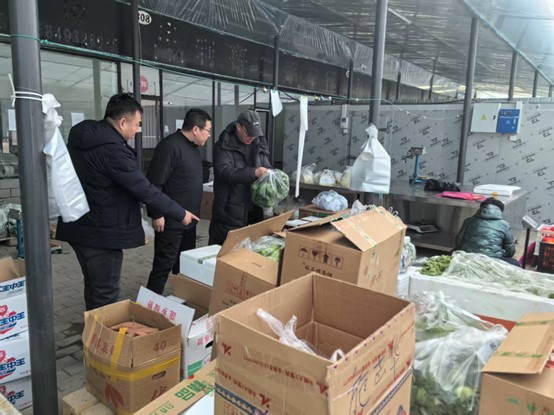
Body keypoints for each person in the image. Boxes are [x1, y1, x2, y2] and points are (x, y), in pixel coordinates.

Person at [56, 93, 199, 310]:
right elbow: (143, 188)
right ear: (123, 122)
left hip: (80, 226)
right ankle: (102, 331)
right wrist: (180, 213)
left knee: (94, 286)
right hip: (101, 233)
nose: (138, 130)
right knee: (106, 293)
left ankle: (93, 326)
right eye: (137, 124)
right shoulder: (113, 150)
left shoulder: (84, 139)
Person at [145, 109, 212, 294]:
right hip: (170, 222)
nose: (209, 135)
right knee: (163, 266)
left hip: (189, 220)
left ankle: (180, 299)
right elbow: (154, 183)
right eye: (208, 130)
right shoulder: (170, 146)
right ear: (196, 129)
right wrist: (156, 214)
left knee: (185, 266)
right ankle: (147, 305)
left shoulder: (193, 148)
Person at [209, 110, 271, 245]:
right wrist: (254, 173)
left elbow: (266, 165)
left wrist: (271, 176)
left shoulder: (259, 143)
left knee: (252, 250)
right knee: (225, 250)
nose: (251, 138)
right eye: (249, 134)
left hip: (255, 209)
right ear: (239, 127)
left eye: (254, 134)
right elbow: (223, 172)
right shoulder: (223, 145)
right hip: (230, 211)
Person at [455, 197, 519, 266]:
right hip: (492, 260)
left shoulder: (468, 221)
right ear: (500, 211)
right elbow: (510, 251)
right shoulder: (504, 225)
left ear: (481, 209)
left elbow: (458, 241)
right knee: (515, 263)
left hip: (467, 257)